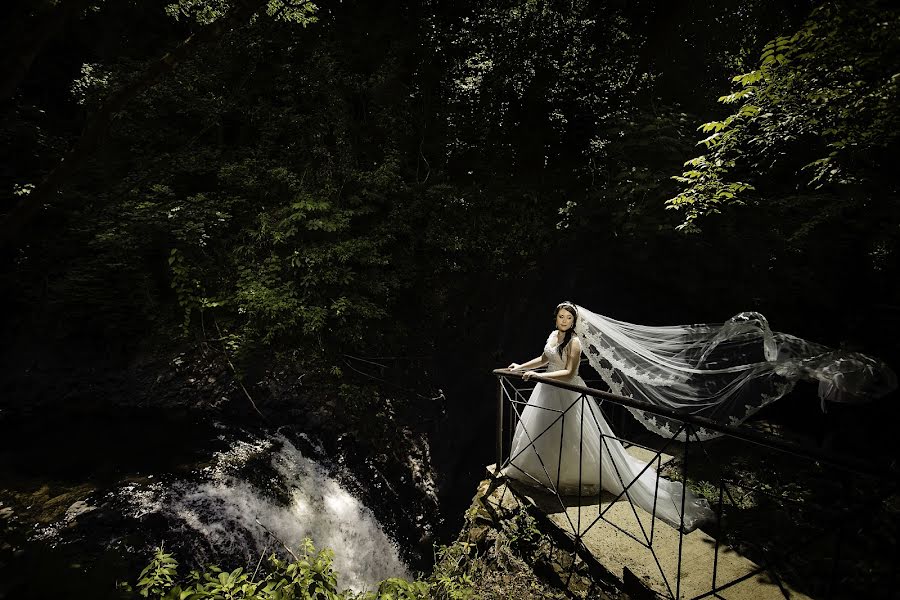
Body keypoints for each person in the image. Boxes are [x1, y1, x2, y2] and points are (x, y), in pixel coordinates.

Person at [501, 301, 716, 532]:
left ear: (574, 322)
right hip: (545, 392)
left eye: (568, 318)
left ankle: (568, 478)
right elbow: (545, 359)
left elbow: (569, 373)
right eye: (561, 317)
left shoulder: (575, 342)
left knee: (571, 437)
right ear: (556, 318)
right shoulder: (553, 335)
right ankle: (541, 472)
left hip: (567, 392)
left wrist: (539, 376)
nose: (564, 321)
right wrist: (520, 368)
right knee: (544, 434)